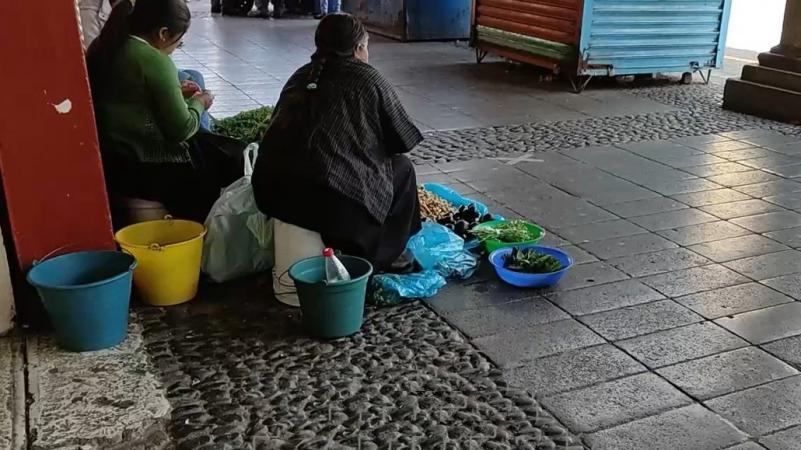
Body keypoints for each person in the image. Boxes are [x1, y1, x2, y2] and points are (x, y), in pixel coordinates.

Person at [252, 13, 423, 273]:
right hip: (329, 204)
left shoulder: (300, 75)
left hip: (271, 192)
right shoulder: (367, 77)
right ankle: (382, 254)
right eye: (367, 47)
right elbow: (403, 139)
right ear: (358, 48)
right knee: (402, 170)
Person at [87, 0, 243, 224]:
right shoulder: (154, 60)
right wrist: (200, 102)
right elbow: (182, 129)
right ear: (163, 33)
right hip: (144, 166)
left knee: (219, 150)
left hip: (114, 159)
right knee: (235, 158)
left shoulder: (105, 45)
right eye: (178, 43)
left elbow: (131, 101)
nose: (175, 49)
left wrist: (177, 94)